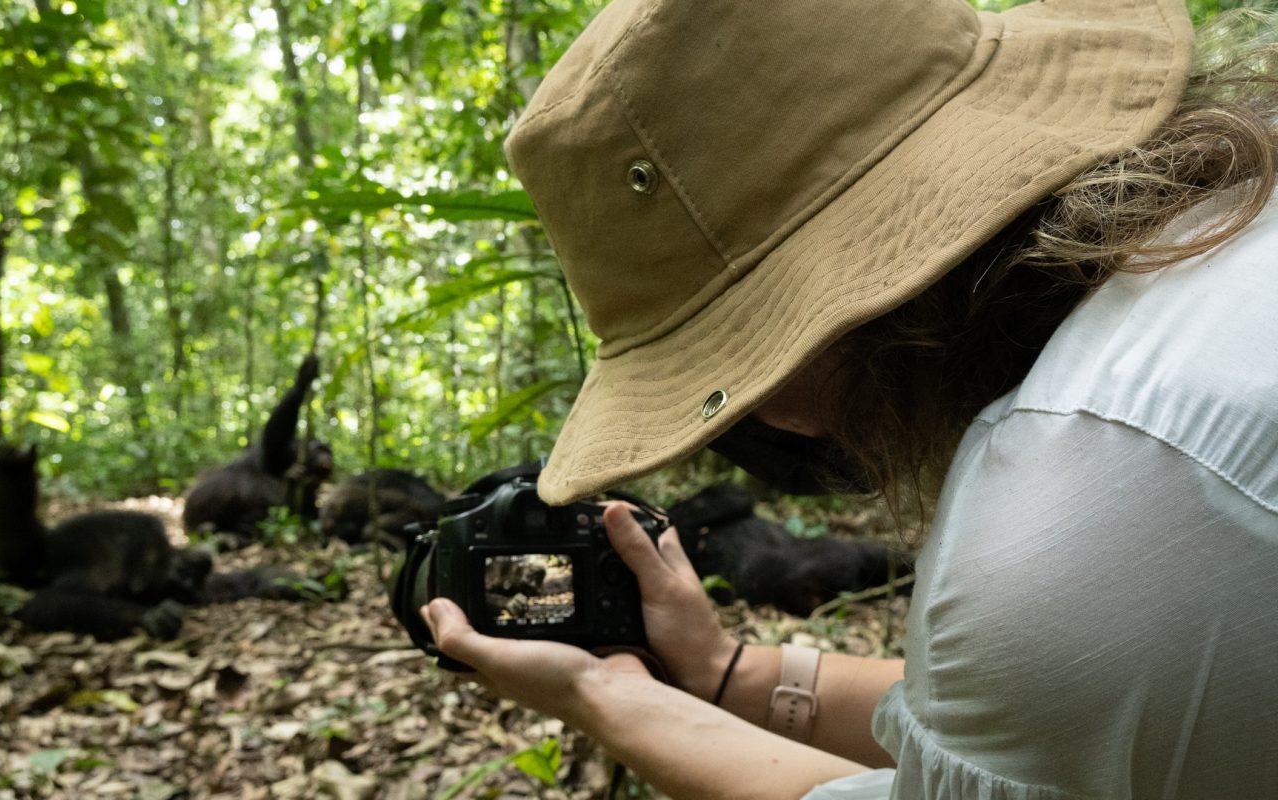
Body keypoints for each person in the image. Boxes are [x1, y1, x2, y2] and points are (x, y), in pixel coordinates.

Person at [422, 0, 1278, 796]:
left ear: (838, 332)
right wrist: (724, 669)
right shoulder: (1213, 261)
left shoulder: (1086, 493)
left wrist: (602, 698)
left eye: (733, 379)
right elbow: (1009, 733)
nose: (758, 422)